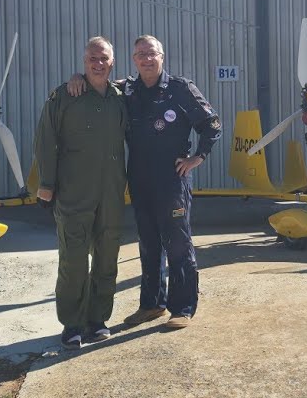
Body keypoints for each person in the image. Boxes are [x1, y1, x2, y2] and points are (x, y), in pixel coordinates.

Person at [68, 35, 221, 329]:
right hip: (139, 178)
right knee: (149, 244)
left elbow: (211, 123)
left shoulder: (180, 89)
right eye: (140, 55)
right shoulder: (126, 90)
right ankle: (152, 305)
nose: (146, 59)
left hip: (172, 180)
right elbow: (97, 84)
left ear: (161, 56)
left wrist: (197, 158)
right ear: (134, 60)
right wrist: (78, 77)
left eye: (151, 54)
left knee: (177, 243)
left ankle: (183, 307)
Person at [34, 37, 128, 349]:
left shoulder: (120, 97)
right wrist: (46, 184)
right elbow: (46, 140)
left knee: (107, 258)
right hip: (74, 192)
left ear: (112, 63)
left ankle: (98, 320)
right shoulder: (65, 95)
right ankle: (72, 323)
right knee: (73, 261)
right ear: (83, 62)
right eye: (92, 59)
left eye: (103, 59)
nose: (98, 64)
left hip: (111, 193)